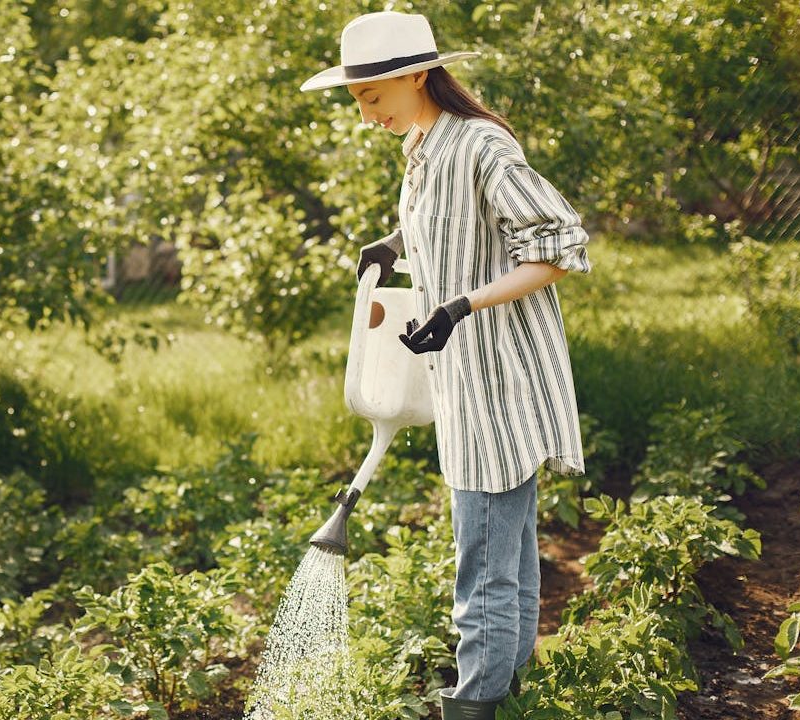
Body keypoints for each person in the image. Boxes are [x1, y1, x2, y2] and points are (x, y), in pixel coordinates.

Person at [301, 11, 593, 720]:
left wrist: (462, 305)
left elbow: (559, 246)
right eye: (357, 100)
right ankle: (505, 692)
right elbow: (457, 221)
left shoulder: (481, 145)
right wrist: (394, 243)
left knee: (484, 562)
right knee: (509, 556)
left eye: (373, 96)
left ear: (416, 75)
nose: (365, 114)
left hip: (498, 379)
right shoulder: (427, 146)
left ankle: (474, 705)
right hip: (464, 381)